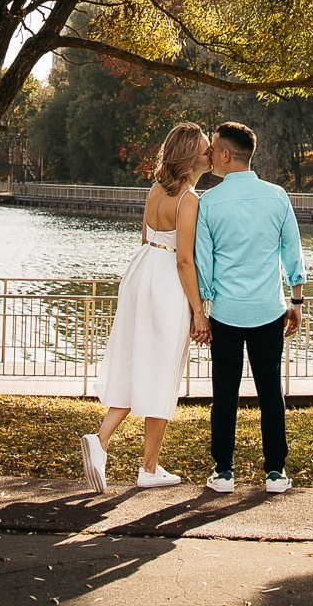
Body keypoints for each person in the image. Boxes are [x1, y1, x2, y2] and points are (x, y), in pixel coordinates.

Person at [80, 123, 207, 494]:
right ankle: (148, 467)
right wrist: (198, 311)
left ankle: (102, 439)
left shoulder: (155, 190)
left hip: (140, 271)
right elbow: (185, 261)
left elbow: (144, 238)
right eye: (203, 150)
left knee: (135, 363)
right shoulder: (188, 199)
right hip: (166, 280)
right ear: (189, 157)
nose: (209, 155)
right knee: (162, 369)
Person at [193, 120, 305, 495]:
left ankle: (223, 472)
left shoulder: (208, 202)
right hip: (268, 311)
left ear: (225, 155)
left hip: (226, 312)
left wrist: (203, 307)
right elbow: (293, 253)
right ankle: (275, 472)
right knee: (271, 392)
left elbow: (202, 260)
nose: (209, 155)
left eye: (212, 149)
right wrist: (297, 301)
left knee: (224, 393)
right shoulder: (277, 196)